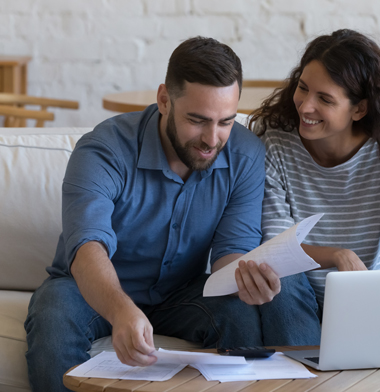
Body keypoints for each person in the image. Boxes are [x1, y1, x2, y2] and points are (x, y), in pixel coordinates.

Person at [25, 36, 321, 392]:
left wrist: (247, 282)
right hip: (88, 291)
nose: (212, 139)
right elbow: (88, 246)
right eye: (197, 120)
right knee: (53, 315)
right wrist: (121, 311)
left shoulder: (245, 154)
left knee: (241, 314)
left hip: (182, 293)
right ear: (164, 100)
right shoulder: (104, 149)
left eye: (226, 121)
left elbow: (231, 251)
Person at [249, 29, 380, 311]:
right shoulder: (274, 141)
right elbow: (275, 247)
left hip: (365, 302)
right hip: (293, 296)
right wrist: (336, 255)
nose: (306, 106)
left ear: (359, 109)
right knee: (278, 279)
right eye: (303, 87)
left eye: (325, 99)